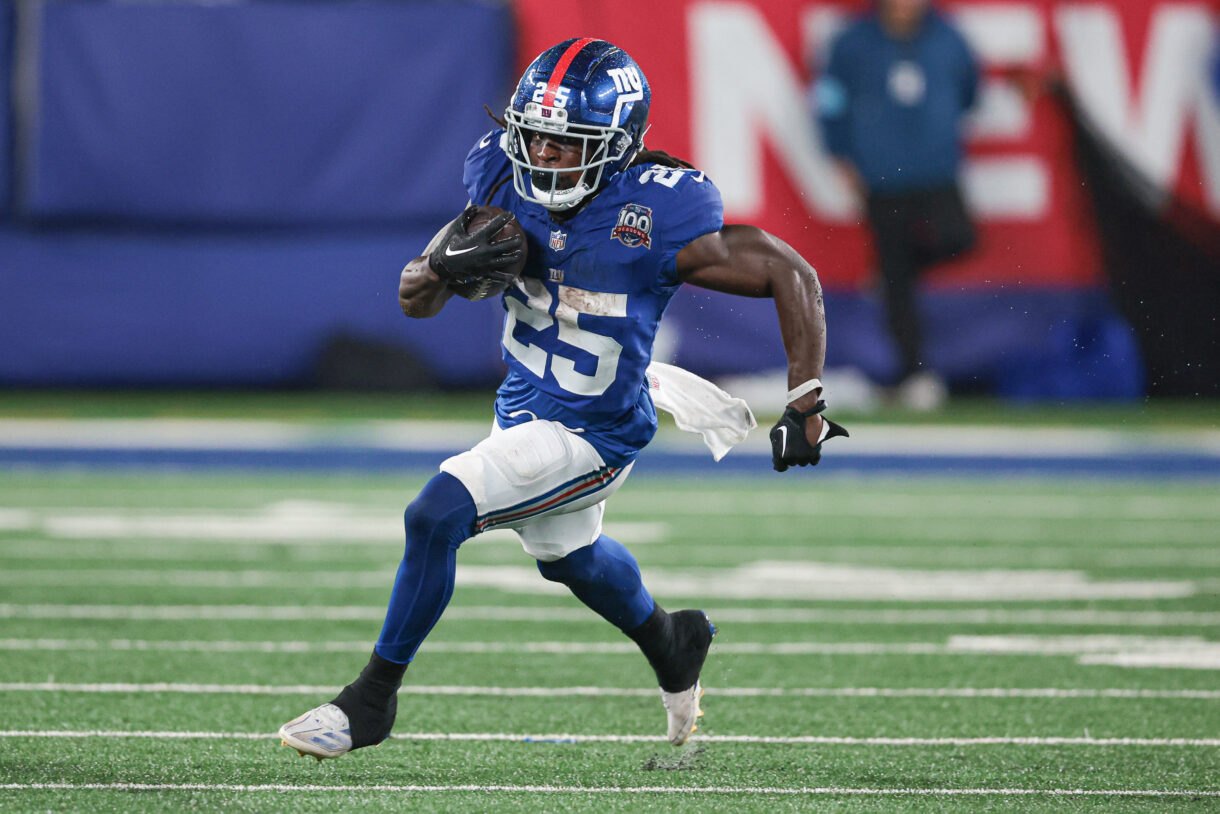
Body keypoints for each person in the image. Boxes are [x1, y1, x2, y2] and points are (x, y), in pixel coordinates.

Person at [278, 37, 846, 760]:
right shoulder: (497, 174)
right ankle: (672, 641)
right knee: (567, 556)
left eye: (566, 144)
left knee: (435, 513)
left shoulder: (656, 209)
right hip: (521, 405)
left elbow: (788, 273)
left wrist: (805, 400)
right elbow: (412, 299)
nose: (544, 157)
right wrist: (441, 266)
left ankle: (370, 700)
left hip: (596, 429)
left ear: (616, 148)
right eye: (535, 138)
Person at [814, 0, 979, 410]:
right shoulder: (853, 42)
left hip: (937, 169)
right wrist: (840, 154)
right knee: (898, 282)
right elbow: (830, 99)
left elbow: (969, 90)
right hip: (881, 174)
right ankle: (914, 373)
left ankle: (894, 275)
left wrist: (939, 127)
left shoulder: (947, 37)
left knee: (958, 238)